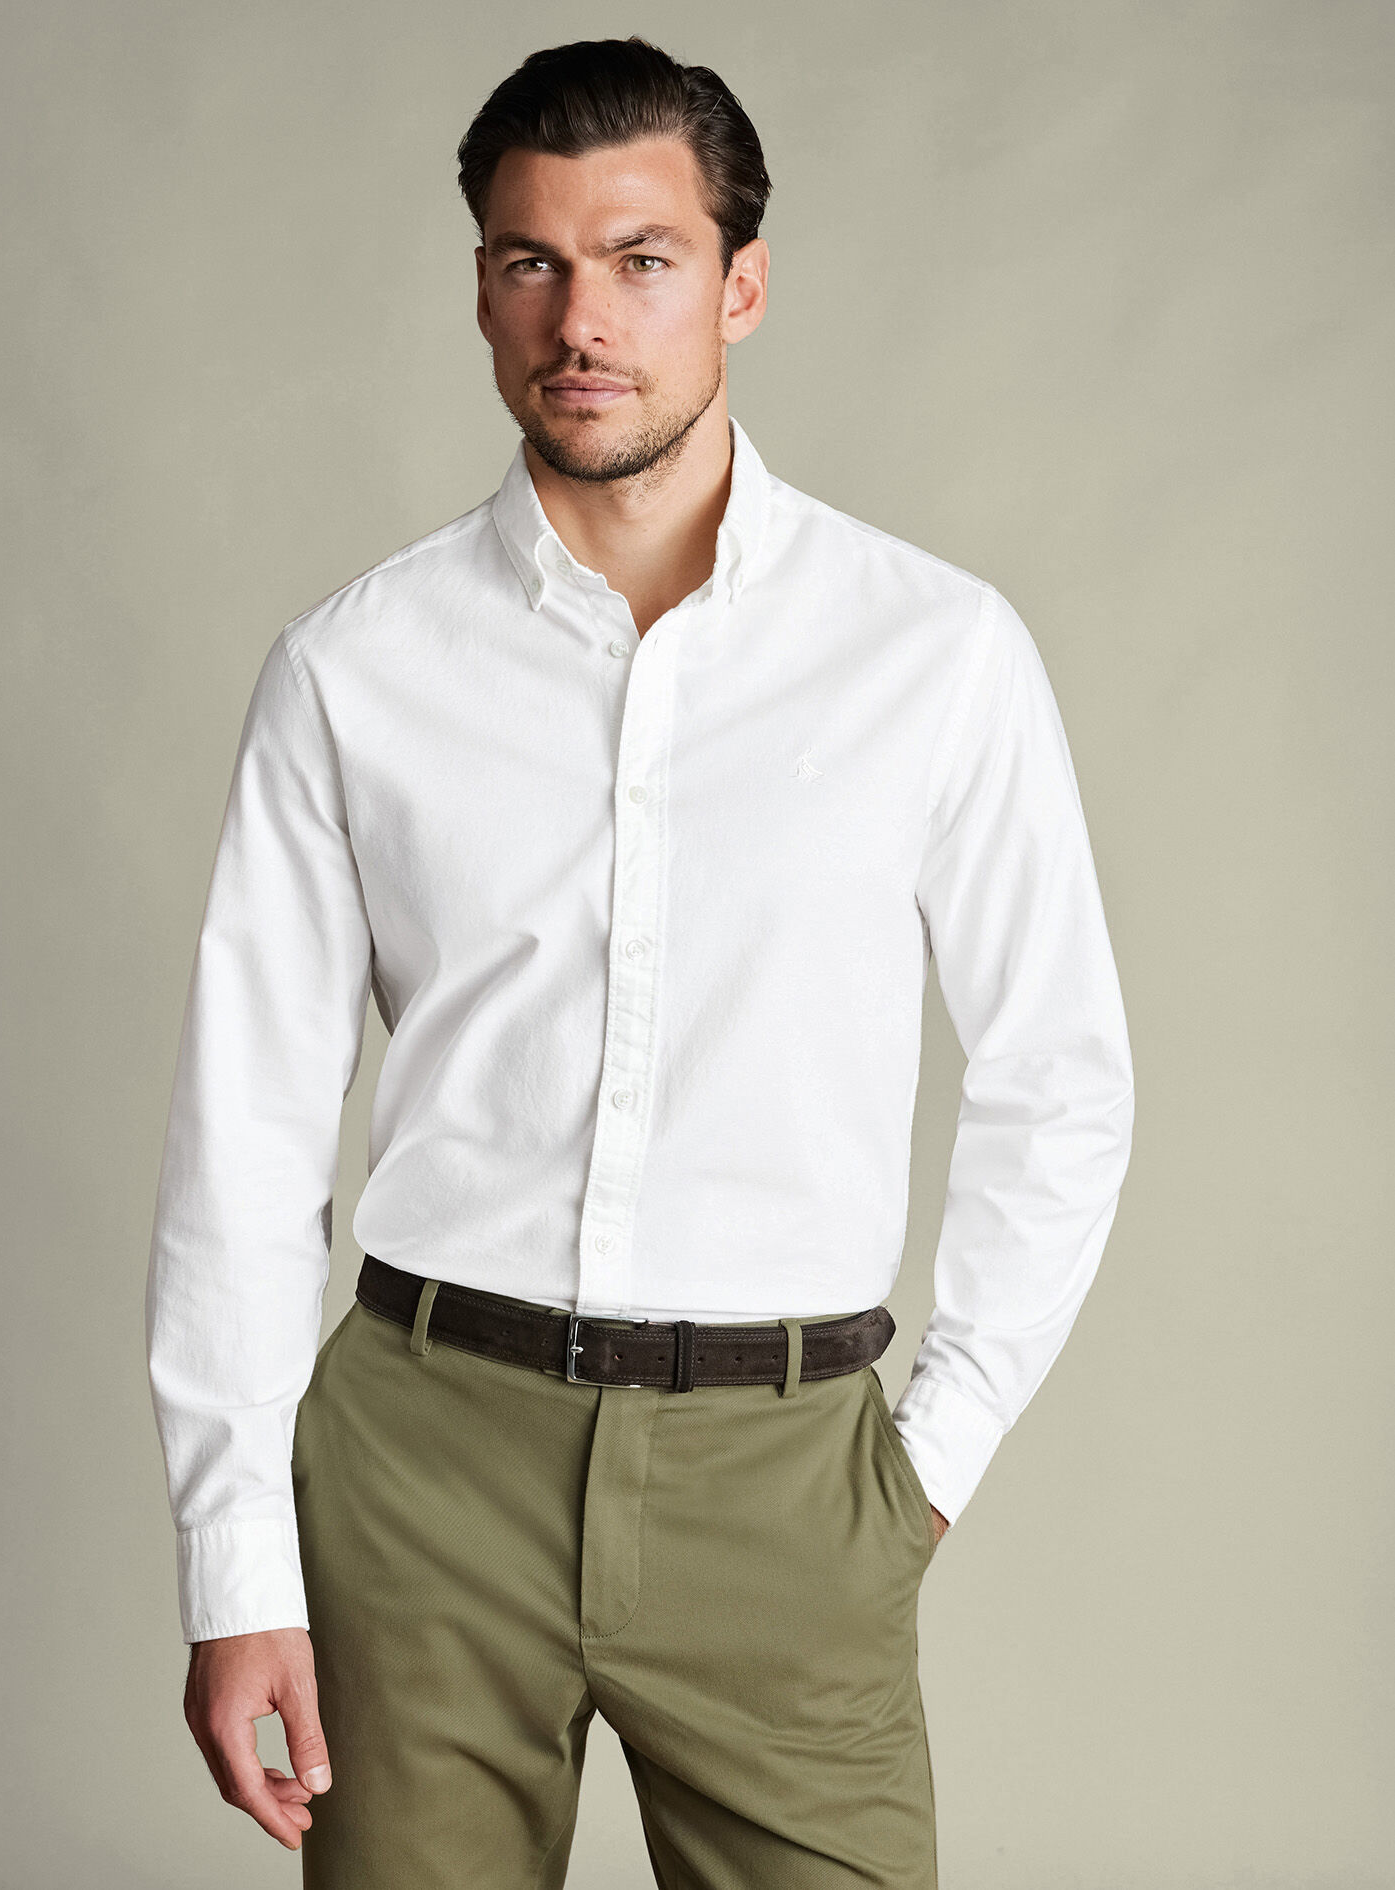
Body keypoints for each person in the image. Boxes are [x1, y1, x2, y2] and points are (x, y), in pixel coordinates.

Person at [145, 34, 1135, 1889]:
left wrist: (927, 1459)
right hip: (422, 1469)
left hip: (789, 1480)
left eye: (641, 259)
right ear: (481, 290)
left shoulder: (934, 653)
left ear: (740, 286)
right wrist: (236, 1559)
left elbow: (1060, 1075)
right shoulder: (354, 669)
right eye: (531, 261)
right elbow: (246, 1130)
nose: (580, 320)